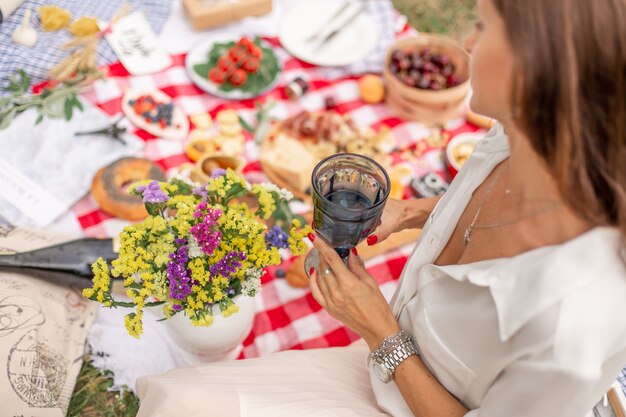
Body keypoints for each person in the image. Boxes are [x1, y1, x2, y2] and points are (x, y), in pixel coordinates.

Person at [135, 0, 626, 415]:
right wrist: (412, 212)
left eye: (483, 26)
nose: (468, 45)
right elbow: (488, 202)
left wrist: (378, 329)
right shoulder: (522, 137)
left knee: (187, 403)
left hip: (402, 390)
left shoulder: (566, 330)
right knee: (186, 395)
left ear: (537, 71)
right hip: (381, 363)